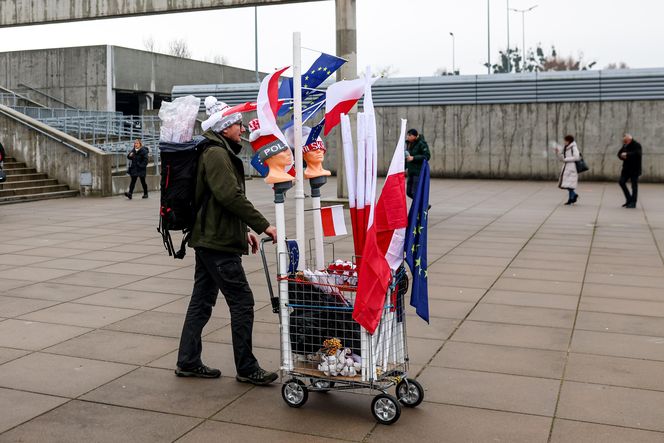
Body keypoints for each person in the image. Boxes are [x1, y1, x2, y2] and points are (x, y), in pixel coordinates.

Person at [175, 108, 280, 386]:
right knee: (243, 302)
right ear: (224, 128)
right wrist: (262, 224)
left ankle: (188, 360)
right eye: (238, 125)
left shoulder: (215, 150)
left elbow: (217, 200)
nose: (242, 130)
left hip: (211, 237)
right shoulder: (217, 154)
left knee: (201, 301)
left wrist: (242, 229)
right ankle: (246, 367)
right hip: (217, 243)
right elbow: (229, 195)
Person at [617, 133, 642, 208]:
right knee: (621, 182)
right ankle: (629, 199)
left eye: (625, 140)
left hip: (635, 169)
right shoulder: (625, 145)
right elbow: (619, 154)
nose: (624, 142)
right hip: (626, 169)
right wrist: (622, 156)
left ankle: (633, 203)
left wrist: (627, 154)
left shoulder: (637, 145)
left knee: (634, 186)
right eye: (624, 141)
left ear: (629, 139)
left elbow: (637, 154)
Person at [405, 129, 431, 199]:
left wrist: (414, 158)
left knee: (415, 192)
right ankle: (423, 205)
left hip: (418, 172)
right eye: (407, 135)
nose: (408, 137)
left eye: (410, 135)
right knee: (409, 192)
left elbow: (427, 156)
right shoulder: (408, 144)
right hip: (411, 171)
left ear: (415, 136)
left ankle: (421, 206)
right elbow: (407, 157)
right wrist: (405, 167)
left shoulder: (422, 144)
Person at [555, 135, 581, 205]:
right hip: (566, 167)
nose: (564, 142)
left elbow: (577, 157)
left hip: (572, 167)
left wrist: (566, 159)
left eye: (565, 140)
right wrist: (558, 152)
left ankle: (572, 198)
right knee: (568, 184)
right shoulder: (565, 147)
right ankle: (572, 197)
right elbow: (562, 158)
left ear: (569, 141)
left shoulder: (573, 147)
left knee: (569, 185)